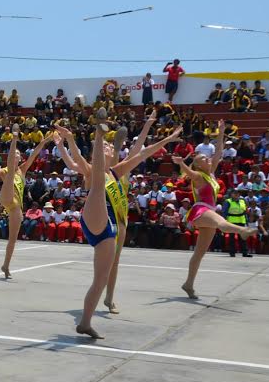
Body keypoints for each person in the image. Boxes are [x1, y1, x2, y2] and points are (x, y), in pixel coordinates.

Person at [57, 108, 182, 339]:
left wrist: (167, 139)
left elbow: (142, 155)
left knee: (101, 278)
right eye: (103, 146)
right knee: (96, 182)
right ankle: (99, 127)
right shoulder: (91, 170)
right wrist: (71, 139)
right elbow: (77, 156)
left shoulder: (117, 172)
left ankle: (85, 322)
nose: (107, 150)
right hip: (95, 214)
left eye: (106, 146)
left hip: (109, 228)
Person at [174, 120, 258, 299]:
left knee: (199, 253)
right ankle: (242, 230)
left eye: (206, 157)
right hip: (200, 210)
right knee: (221, 222)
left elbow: (218, 151)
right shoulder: (197, 176)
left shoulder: (210, 173)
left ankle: (188, 284)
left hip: (208, 210)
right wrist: (181, 164)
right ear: (198, 165)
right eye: (203, 158)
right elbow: (189, 173)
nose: (207, 157)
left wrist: (220, 132)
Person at [0, 128, 51, 278]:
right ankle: (14, 138)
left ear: (20, 158)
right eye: (15, 154)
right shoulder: (5, 170)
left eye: (18, 154)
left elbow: (34, 155)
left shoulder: (23, 170)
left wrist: (43, 142)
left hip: (16, 207)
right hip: (6, 198)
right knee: (10, 172)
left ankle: (6, 266)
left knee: (12, 240)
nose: (16, 156)